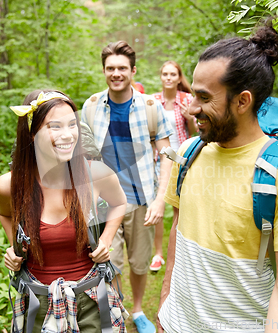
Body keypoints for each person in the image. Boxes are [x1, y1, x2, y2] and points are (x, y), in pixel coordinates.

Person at [158, 25, 278, 333]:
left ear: (242, 101)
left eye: (204, 97)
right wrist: (165, 308)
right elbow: (178, 231)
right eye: (194, 94)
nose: (192, 108)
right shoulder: (189, 153)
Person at [0, 89, 129, 332]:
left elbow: (120, 203)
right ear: (32, 133)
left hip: (92, 302)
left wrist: (106, 241)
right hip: (37, 303)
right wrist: (15, 245)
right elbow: (6, 213)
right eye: (54, 126)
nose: (67, 135)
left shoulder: (95, 174)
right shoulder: (9, 186)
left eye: (72, 124)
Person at [81, 41, 173, 333]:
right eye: (110, 68)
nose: (116, 73)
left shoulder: (150, 107)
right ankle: (116, 308)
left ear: (133, 71)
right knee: (111, 260)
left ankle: (137, 310)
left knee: (139, 262)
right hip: (104, 202)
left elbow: (168, 153)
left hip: (141, 198)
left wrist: (161, 199)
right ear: (104, 71)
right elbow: (82, 154)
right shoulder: (92, 106)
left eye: (122, 68)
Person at [150, 61, 197, 272]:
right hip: (160, 158)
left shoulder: (187, 100)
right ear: (161, 77)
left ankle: (182, 252)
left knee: (181, 205)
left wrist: (190, 119)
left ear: (179, 78)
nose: (168, 78)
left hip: (183, 156)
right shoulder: (152, 101)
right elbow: (150, 132)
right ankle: (158, 254)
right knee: (158, 203)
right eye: (165, 74)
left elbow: (195, 132)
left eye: (173, 74)